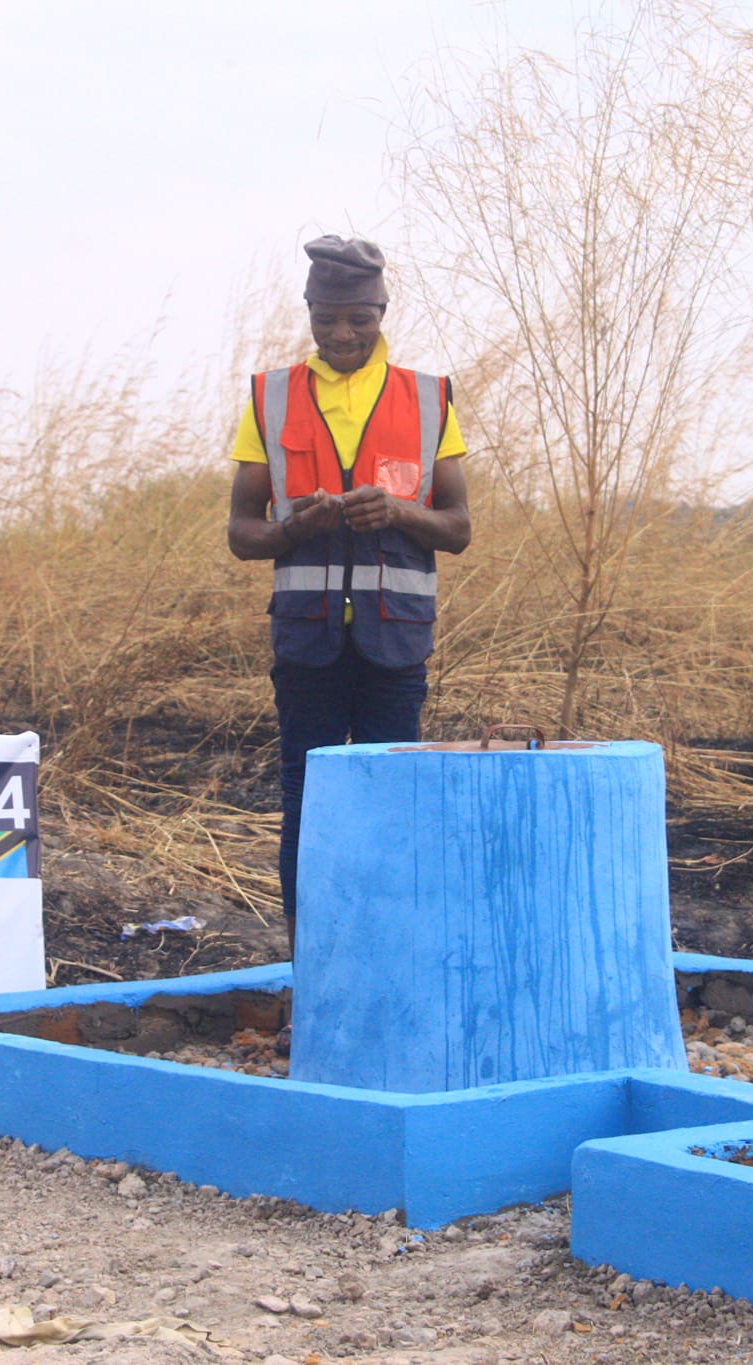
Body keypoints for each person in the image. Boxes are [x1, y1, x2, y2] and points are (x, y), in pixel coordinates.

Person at [227, 235, 472, 958]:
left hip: (395, 642)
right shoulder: (269, 397)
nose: (341, 333)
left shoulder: (428, 398)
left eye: (358, 319)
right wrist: (292, 528)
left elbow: (458, 528)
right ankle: (312, 964)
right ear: (308, 311)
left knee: (393, 802)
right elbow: (241, 533)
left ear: (381, 312)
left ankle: (387, 956)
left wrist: (398, 511)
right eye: (326, 318)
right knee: (305, 800)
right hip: (307, 643)